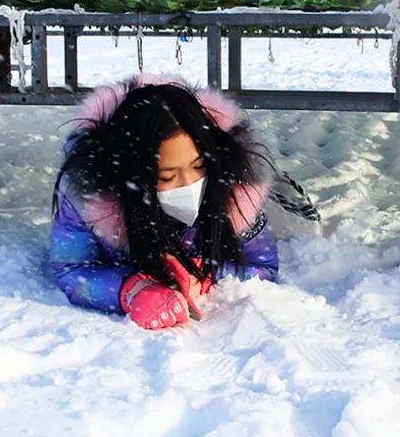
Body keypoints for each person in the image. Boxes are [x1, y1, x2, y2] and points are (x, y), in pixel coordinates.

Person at [49, 75, 317, 330]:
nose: (188, 184)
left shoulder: (235, 188)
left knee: (297, 226)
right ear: (134, 176)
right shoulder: (88, 198)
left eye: (198, 166)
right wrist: (131, 289)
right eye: (168, 176)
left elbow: (263, 265)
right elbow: (71, 269)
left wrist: (205, 272)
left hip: (264, 200)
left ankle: (282, 191)